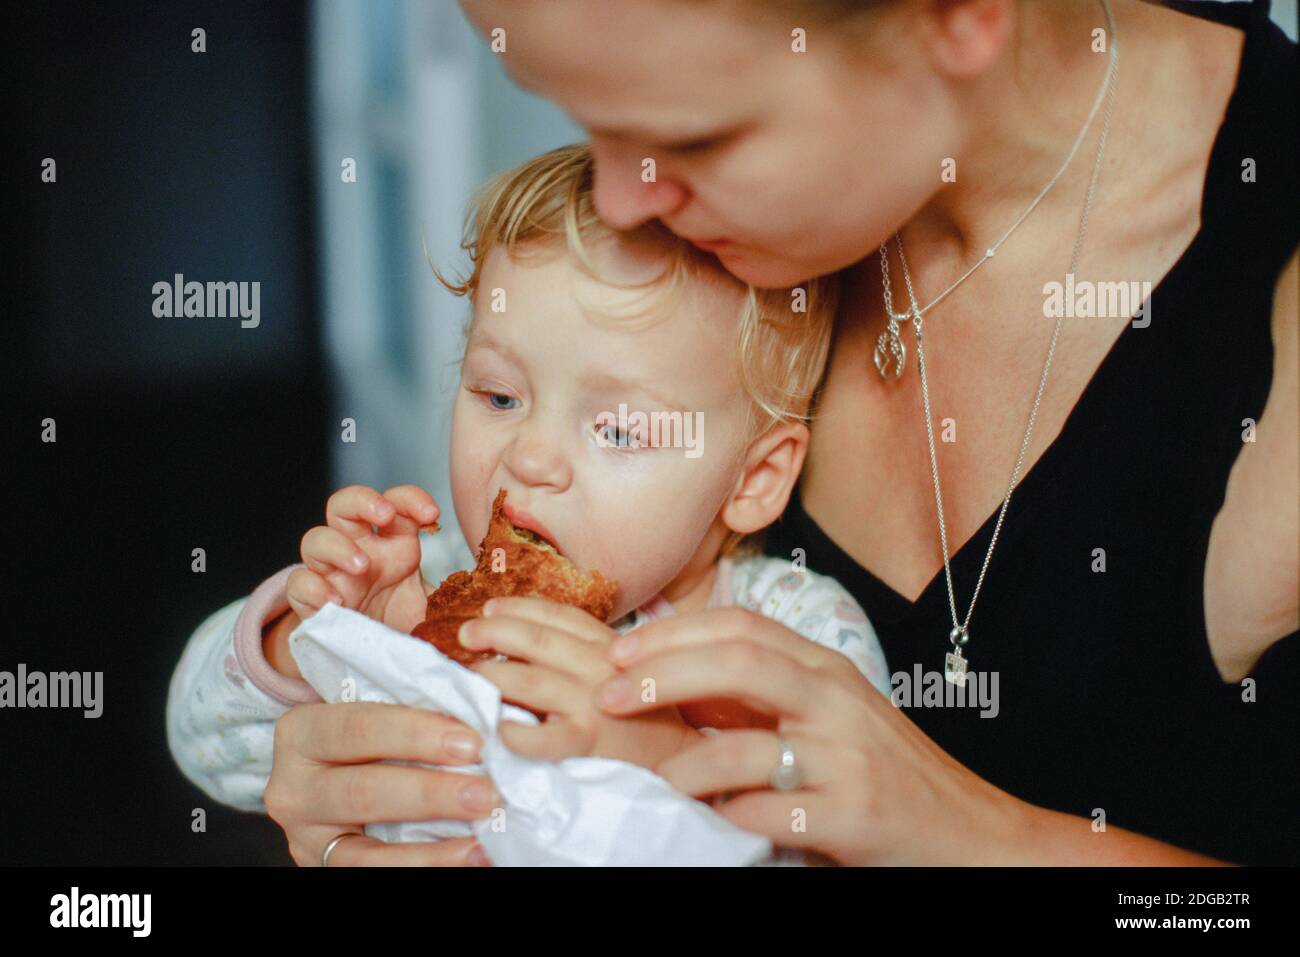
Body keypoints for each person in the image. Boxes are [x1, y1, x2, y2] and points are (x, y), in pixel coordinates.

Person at [257, 0, 1299, 865]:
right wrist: (356, 778)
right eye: (587, 122)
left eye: (696, 136)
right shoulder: (685, 253)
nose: (624, 202)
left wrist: (964, 830)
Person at [166, 143, 892, 864]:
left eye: (617, 429)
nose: (529, 456)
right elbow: (202, 744)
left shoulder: (797, 637)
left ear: (752, 480)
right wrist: (324, 637)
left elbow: (848, 845)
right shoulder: (440, 587)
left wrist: (668, 758)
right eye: (500, 395)